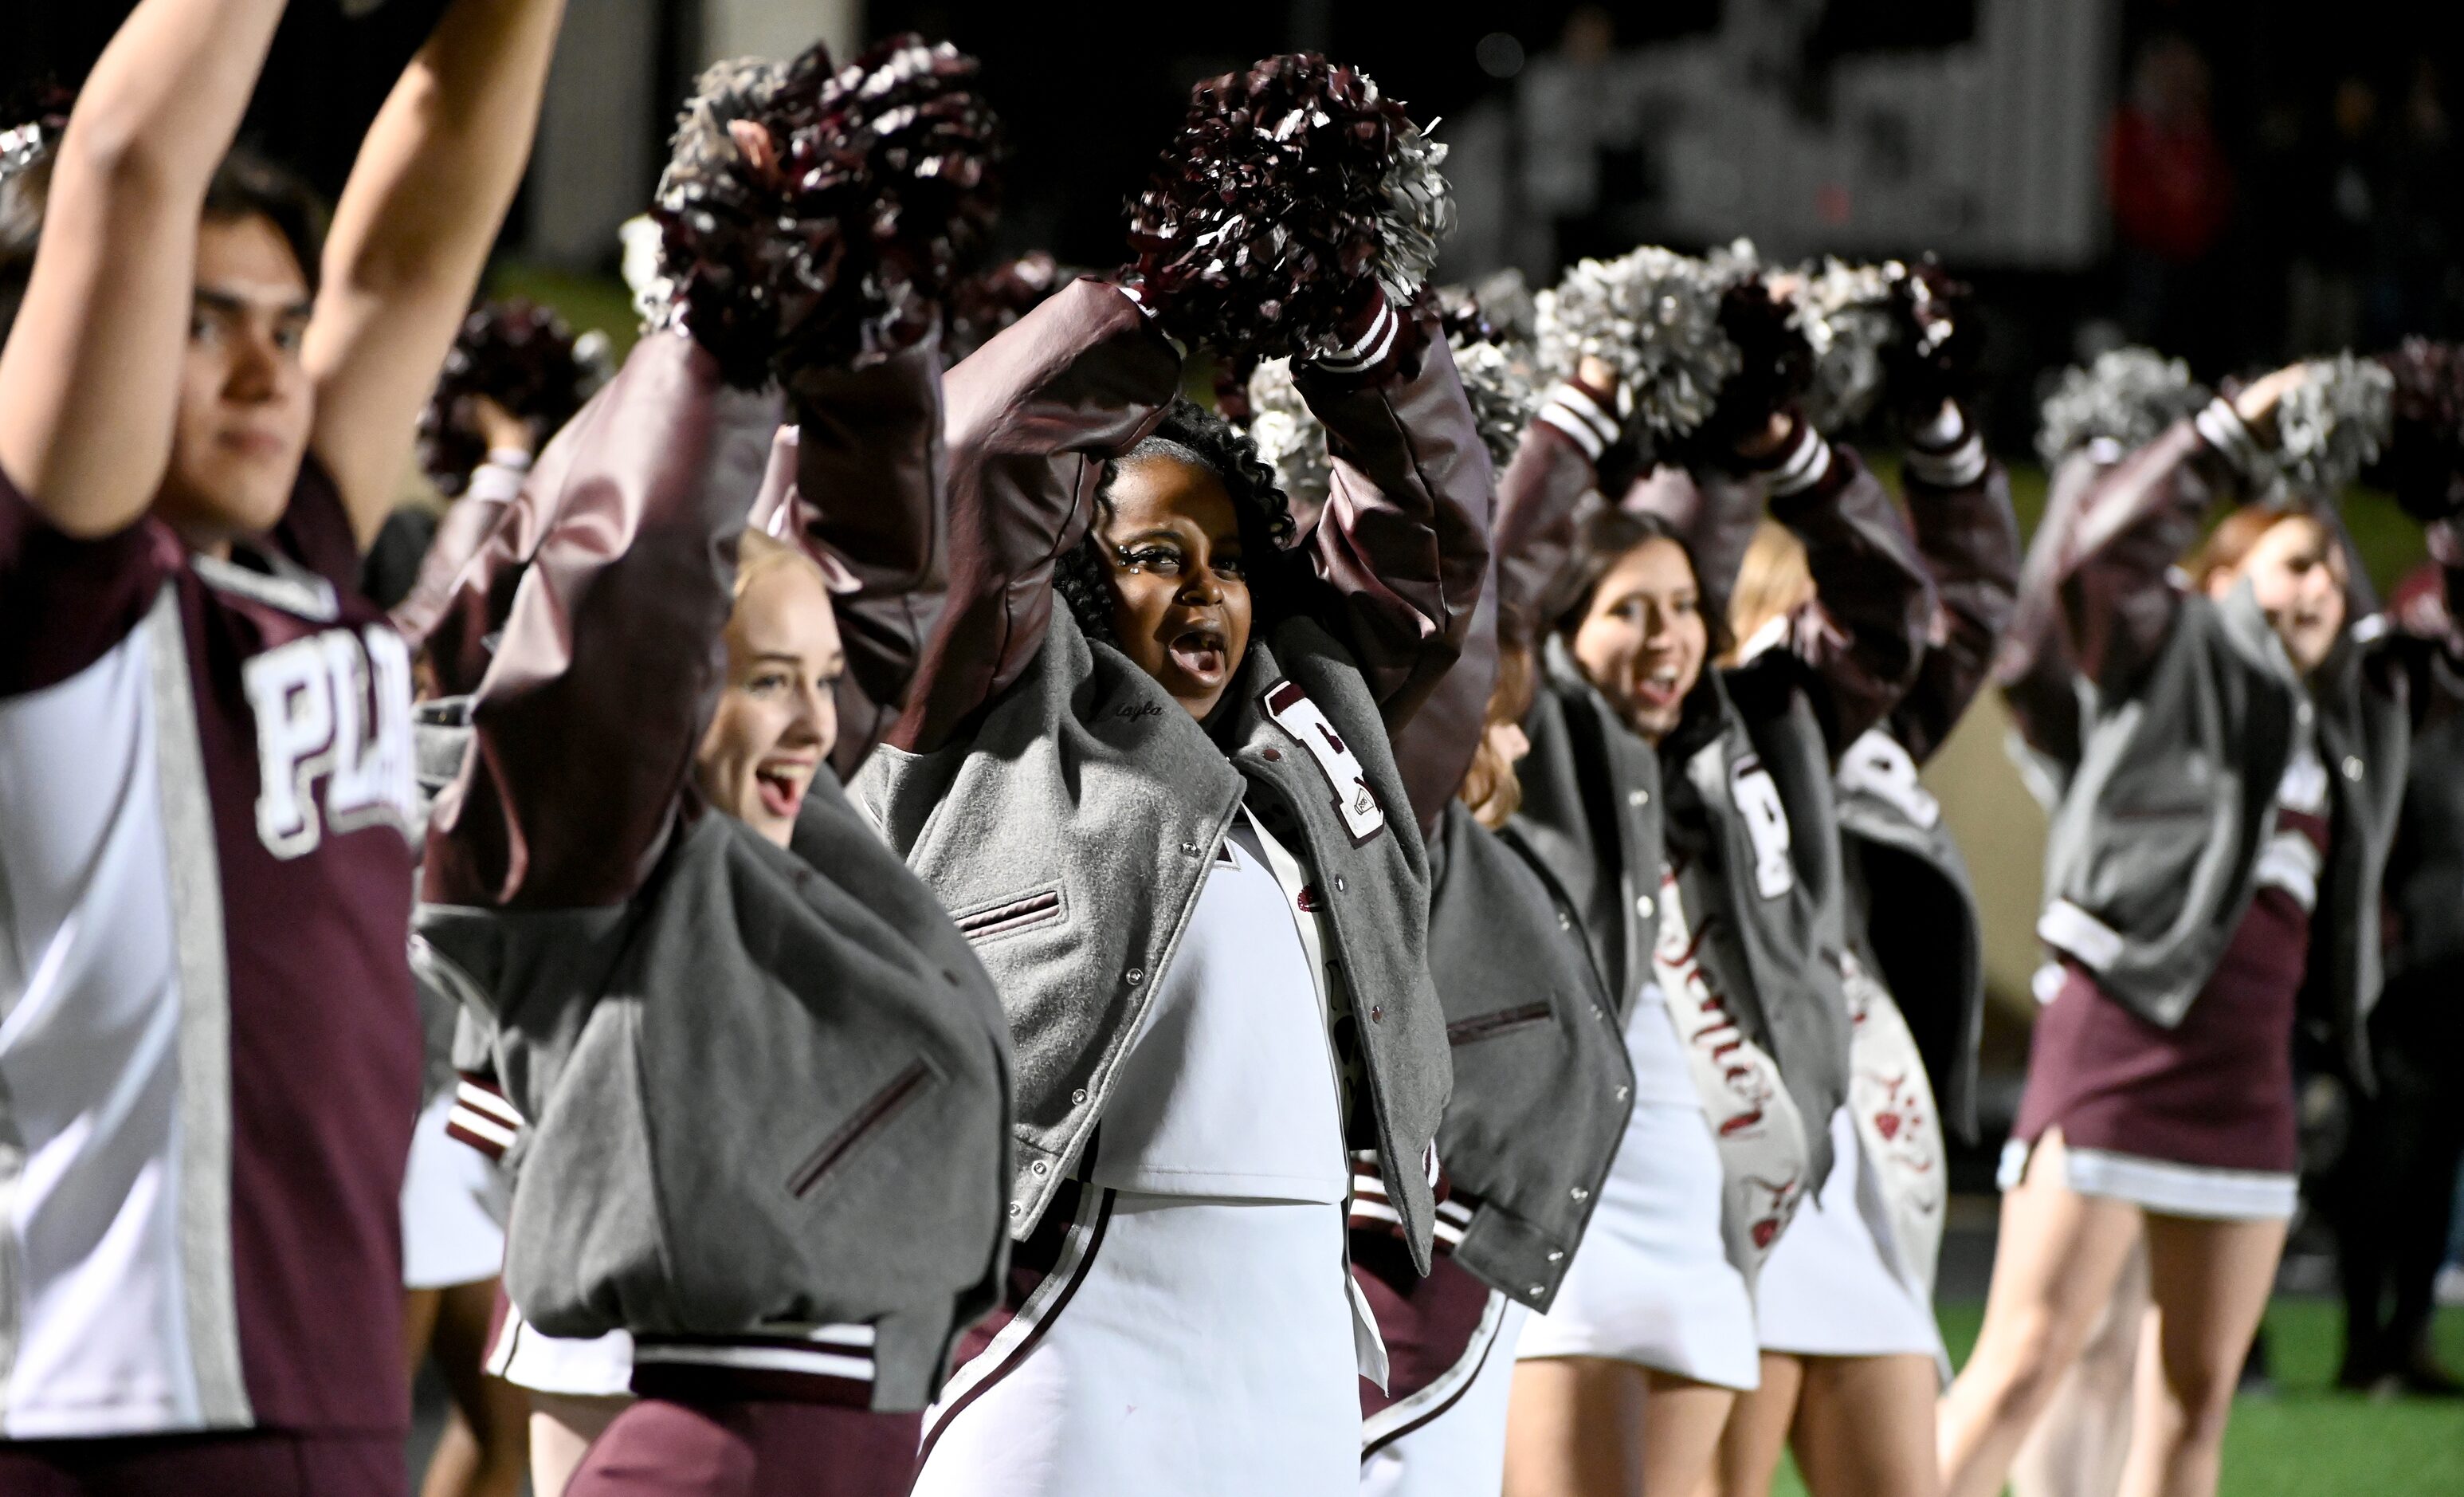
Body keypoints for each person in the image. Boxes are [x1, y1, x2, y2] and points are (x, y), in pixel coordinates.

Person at [0, 0, 561, 1490]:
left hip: (307, 1383)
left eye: (284, 323)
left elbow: (417, 234)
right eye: (202, 319)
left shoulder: (293, 558)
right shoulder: (55, 595)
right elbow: (127, 160)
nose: (267, 371)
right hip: (124, 1407)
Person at [881, 270, 1485, 1497]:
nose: (1206, 588)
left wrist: (1361, 329)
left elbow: (1431, 553)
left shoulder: (1309, 739)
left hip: (1296, 1353)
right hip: (1074, 1325)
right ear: (1083, 581)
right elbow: (979, 462)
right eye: (1159, 556)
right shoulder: (1006, 715)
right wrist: (1154, 296)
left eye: (1229, 559)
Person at [417, 284, 1011, 1496]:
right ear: (673, 691)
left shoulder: (792, 841)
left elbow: (891, 565)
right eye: (768, 682)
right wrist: (722, 314)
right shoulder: (584, 867)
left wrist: (874, 320)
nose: (815, 723)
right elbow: (634, 571)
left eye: (823, 679)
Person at [1939, 367, 2408, 1497]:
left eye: (2333, 574)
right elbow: (2104, 560)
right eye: (2294, 563)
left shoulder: (2344, 713)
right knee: (2024, 1361)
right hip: (2119, 1036)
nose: (2319, 590)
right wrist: (2221, 434)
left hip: (2248, 1076)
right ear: (2220, 574)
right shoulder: (2168, 649)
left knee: (2194, 1395)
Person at [1497, 369, 1933, 1496]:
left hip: (1705, 1229)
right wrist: (1572, 423)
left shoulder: (1753, 736)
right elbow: (1489, 597)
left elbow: (1895, 619)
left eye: (1686, 607)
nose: (1669, 637)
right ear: (1564, 629)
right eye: (1630, 610)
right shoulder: (1537, 741)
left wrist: (1801, 460)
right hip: (1567, 1232)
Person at [1711, 391, 2018, 1497]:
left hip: (1856, 1154)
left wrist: (1941, 426)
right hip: (1737, 1126)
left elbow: (1967, 608)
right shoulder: (1715, 714)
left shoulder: (1857, 718)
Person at [1350, 356, 1638, 1497]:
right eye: (1497, 720)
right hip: (1404, 1256)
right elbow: (1474, 605)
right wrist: (1553, 431)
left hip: (1440, 1254)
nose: (1514, 746)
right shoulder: (1390, 811)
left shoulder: (1455, 845)